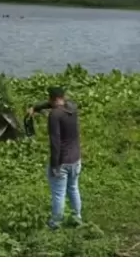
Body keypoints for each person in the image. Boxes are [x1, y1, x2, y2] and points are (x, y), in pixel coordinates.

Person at [28, 87, 82, 229]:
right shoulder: (72, 107)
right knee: (73, 188)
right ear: (63, 97)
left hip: (62, 161)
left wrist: (54, 166)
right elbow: (55, 103)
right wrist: (36, 107)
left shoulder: (54, 115)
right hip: (76, 159)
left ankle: (55, 223)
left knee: (59, 194)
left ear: (50, 98)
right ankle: (77, 217)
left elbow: (55, 142)